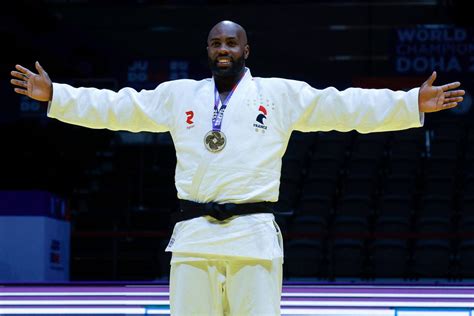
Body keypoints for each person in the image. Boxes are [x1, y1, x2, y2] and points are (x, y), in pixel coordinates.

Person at [10, 20, 465, 316]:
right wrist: (58, 95)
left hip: (253, 240)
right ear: (207, 50)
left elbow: (343, 106)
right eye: (215, 43)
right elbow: (117, 107)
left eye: (231, 42)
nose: (222, 49)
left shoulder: (279, 95)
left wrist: (409, 102)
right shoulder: (179, 95)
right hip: (193, 241)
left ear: (247, 48)